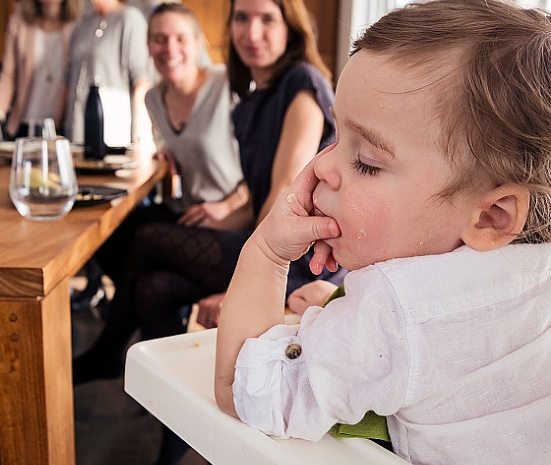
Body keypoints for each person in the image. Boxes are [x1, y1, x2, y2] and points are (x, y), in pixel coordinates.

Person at [214, 1, 551, 464]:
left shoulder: (394, 312)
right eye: (336, 137)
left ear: (493, 216)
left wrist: (267, 252)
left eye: (367, 162)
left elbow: (244, 388)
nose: (321, 165)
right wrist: (345, 315)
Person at [74, 0, 344, 462]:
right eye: (241, 18)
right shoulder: (253, 98)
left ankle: (109, 351)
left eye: (266, 19)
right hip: (265, 240)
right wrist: (218, 217)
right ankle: (172, 437)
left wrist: (249, 289)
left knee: (146, 235)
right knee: (153, 288)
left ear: (290, 27)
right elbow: (256, 196)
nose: (251, 32)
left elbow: (284, 200)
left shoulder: (302, 84)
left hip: (291, 261)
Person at [63, 0, 151, 148]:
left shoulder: (130, 19)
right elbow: (69, 77)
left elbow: (141, 81)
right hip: (75, 129)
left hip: (112, 132)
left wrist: (141, 136)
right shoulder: (82, 23)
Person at [0, 0, 83, 140]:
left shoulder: (79, 27)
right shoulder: (18, 24)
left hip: (61, 127)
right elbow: (8, 75)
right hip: (23, 124)